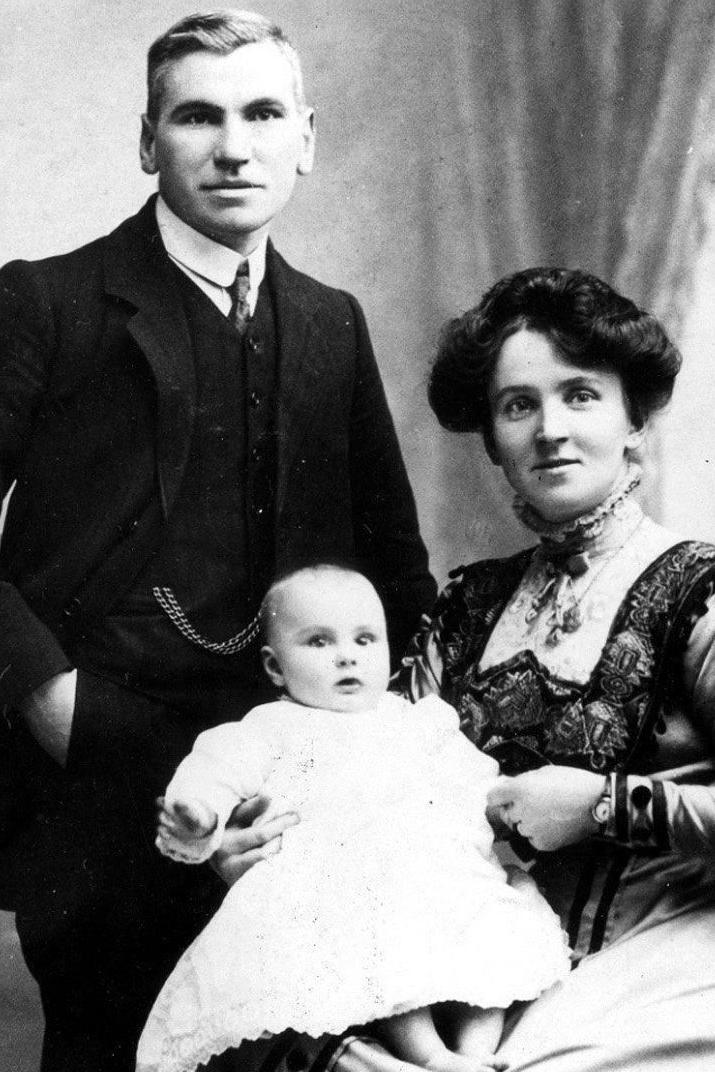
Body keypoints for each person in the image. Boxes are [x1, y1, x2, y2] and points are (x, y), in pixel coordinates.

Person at [0, 11, 434, 1072]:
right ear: (149, 141)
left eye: (262, 113)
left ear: (306, 137)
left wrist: (396, 752)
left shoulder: (330, 320)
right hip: (99, 773)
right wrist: (50, 699)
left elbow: (393, 555)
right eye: (197, 116)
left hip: (287, 774)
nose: (234, 147)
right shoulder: (48, 302)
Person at [391, 266, 715, 1071]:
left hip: (664, 957)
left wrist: (604, 807)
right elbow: (375, 778)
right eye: (517, 405)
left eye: (580, 395)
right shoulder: (467, 606)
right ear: (492, 440)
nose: (549, 430)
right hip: (475, 968)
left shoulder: (698, 594)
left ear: (633, 418)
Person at [136, 564, 569, 1072]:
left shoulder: (416, 721)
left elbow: (475, 779)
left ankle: (476, 1054)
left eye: (365, 639)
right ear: (275, 668)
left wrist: (509, 801)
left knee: (498, 932)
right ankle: (428, 1055)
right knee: (382, 943)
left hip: (443, 879)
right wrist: (199, 813)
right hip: (340, 888)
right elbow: (216, 769)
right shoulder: (270, 728)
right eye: (319, 642)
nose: (347, 655)